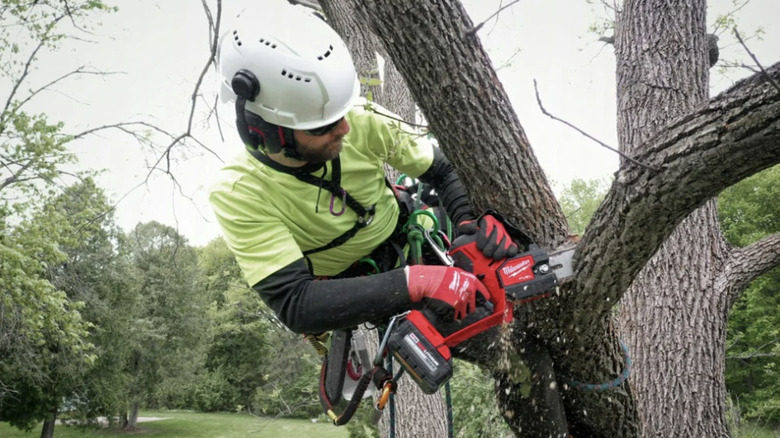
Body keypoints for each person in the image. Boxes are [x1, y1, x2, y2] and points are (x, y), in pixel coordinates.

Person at [209, 3, 518, 335]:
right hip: (351, 287)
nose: (343, 129)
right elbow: (295, 302)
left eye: (341, 115)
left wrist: (470, 223)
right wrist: (417, 283)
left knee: (509, 310)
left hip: (405, 233)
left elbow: (442, 171)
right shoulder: (239, 192)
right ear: (265, 131)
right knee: (478, 341)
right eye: (322, 127)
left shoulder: (359, 117)